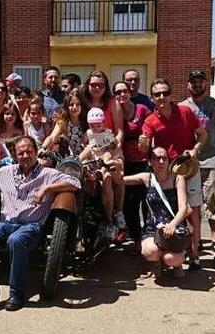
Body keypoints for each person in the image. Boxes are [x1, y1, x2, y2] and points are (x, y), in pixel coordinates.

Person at [0, 136, 80, 318]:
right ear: (15, 156)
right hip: (7, 222)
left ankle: (16, 294)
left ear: (35, 151)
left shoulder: (48, 173)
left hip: (32, 225)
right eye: (21, 153)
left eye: (29, 151)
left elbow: (75, 183)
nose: (25, 156)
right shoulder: (6, 171)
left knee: (16, 240)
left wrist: (46, 189)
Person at [141, 78, 207, 271]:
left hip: (188, 167)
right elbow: (145, 145)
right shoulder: (150, 120)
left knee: (193, 212)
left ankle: (194, 255)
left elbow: (202, 134)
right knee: (168, 209)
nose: (162, 97)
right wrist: (143, 144)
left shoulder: (186, 112)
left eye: (165, 93)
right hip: (166, 171)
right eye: (157, 94)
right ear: (152, 98)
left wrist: (195, 149)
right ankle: (165, 252)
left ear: (171, 95)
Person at [123, 147, 191, 278]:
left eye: (164, 158)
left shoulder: (178, 179)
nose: (161, 162)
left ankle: (176, 263)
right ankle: (157, 261)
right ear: (150, 162)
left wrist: (173, 224)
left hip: (174, 227)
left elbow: (184, 207)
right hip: (153, 227)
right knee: (150, 252)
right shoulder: (146, 178)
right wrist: (113, 166)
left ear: (168, 161)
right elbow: (121, 180)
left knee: (172, 259)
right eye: (156, 158)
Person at [180, 70, 215, 253]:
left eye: (200, 81)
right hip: (189, 161)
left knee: (213, 198)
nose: (197, 84)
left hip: (212, 159)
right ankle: (196, 240)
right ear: (188, 85)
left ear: (205, 84)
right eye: (193, 82)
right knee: (193, 202)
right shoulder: (182, 107)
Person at [115, 80, 152, 244]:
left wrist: (147, 143)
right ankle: (136, 238)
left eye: (124, 91)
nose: (122, 94)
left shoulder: (141, 109)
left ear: (129, 92)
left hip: (143, 160)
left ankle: (149, 235)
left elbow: (151, 128)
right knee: (129, 203)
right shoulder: (114, 112)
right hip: (125, 161)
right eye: (118, 92)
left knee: (147, 201)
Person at [80, 107, 125, 239]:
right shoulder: (89, 133)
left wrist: (108, 154)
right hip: (95, 161)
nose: (95, 128)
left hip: (107, 160)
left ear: (103, 123)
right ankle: (106, 218)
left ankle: (112, 217)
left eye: (98, 125)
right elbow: (86, 144)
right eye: (92, 125)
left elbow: (114, 147)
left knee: (107, 177)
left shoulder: (107, 133)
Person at [42, 90, 87, 157]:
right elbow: (52, 137)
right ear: (67, 107)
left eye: (78, 104)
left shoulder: (87, 121)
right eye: (71, 104)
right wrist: (43, 148)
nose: (74, 107)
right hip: (72, 159)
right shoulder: (63, 122)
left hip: (88, 157)